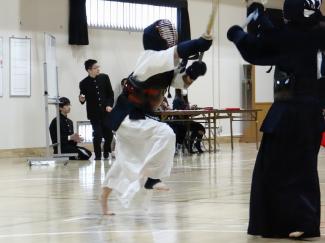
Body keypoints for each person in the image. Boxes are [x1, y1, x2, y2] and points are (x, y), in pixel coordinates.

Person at [228, 0, 325, 238]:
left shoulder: (302, 34)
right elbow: (278, 40)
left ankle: (302, 221)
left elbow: (259, 50)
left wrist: (238, 34)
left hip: (295, 110)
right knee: (285, 167)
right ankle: (280, 222)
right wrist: (260, 19)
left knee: (291, 169)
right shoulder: (315, 31)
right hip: (302, 111)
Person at [100, 19, 211, 215]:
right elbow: (178, 51)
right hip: (127, 115)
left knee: (125, 161)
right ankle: (151, 178)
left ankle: (104, 200)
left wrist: (194, 72)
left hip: (135, 117)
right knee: (166, 134)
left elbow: (181, 83)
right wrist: (197, 44)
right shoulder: (149, 57)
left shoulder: (166, 65)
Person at [79, 59, 114, 160]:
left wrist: (109, 105)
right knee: (97, 134)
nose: (98, 69)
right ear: (89, 70)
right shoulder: (83, 83)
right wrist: (81, 99)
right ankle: (98, 155)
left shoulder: (104, 77)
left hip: (106, 112)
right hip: (94, 114)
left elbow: (110, 94)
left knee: (109, 135)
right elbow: (82, 96)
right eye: (96, 68)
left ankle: (106, 151)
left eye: (98, 67)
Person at [173, 89, 205, 153]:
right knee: (198, 128)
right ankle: (192, 145)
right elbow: (179, 113)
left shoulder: (184, 99)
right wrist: (190, 110)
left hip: (186, 120)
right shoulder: (177, 100)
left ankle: (194, 144)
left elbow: (187, 112)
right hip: (180, 122)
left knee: (201, 128)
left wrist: (192, 109)